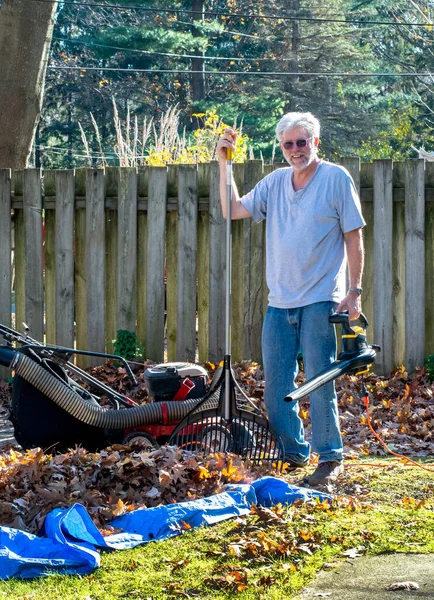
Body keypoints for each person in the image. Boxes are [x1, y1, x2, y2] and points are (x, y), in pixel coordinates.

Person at [216, 111, 365, 486]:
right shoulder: (276, 182)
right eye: (288, 144)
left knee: (319, 381)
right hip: (279, 303)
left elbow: (353, 237)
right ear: (281, 148)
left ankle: (330, 457)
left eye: (302, 142)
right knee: (277, 391)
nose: (296, 150)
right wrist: (223, 164)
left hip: (320, 298)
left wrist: (355, 291)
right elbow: (231, 210)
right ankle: (294, 452)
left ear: (315, 142)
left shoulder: (335, 179)